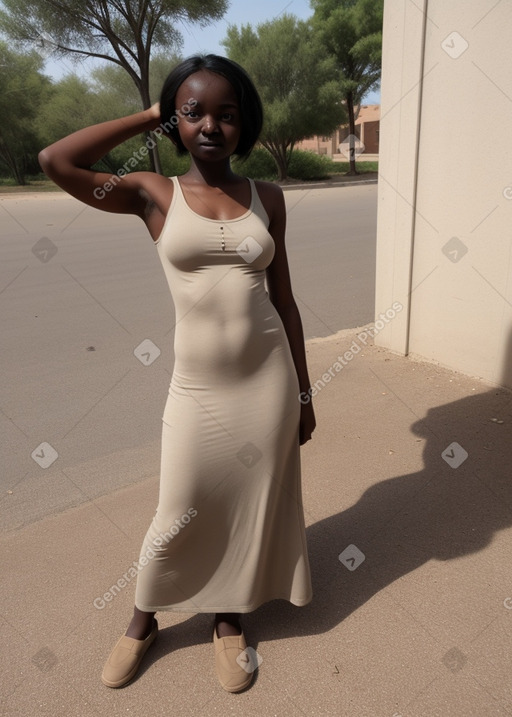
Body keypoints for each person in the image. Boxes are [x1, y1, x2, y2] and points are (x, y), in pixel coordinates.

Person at [39, 54, 316, 693]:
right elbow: (57, 161)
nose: (211, 125)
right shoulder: (152, 193)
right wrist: (148, 115)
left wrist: (303, 392)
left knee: (246, 501)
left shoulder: (268, 198)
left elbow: (286, 301)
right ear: (176, 122)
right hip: (198, 388)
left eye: (226, 113)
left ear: (244, 123)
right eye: (193, 112)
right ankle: (143, 620)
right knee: (182, 504)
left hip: (267, 381)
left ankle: (228, 618)